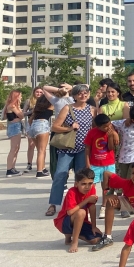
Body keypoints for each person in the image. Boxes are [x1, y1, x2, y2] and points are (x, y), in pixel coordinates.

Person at [47, 84, 95, 217]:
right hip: (67, 148)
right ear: (74, 96)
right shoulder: (67, 108)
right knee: (60, 174)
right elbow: (55, 127)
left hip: (83, 149)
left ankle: (79, 204)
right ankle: (53, 203)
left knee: (81, 178)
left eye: (85, 93)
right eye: (79, 93)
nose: (83, 95)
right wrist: (69, 128)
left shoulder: (92, 110)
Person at [94, 160, 134, 251]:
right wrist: (107, 193)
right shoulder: (127, 183)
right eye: (133, 173)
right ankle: (107, 237)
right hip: (130, 203)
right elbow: (106, 173)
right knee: (110, 202)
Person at [54, 168, 102, 253]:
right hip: (63, 222)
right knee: (81, 212)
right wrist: (87, 200)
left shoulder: (92, 189)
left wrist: (94, 226)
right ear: (76, 184)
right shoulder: (72, 192)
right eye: (83, 184)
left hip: (82, 221)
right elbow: (70, 212)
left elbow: (92, 207)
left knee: (97, 238)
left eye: (90, 183)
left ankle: (70, 235)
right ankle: (74, 241)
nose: (87, 187)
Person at [29, 95, 53, 178]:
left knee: (39, 150)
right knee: (42, 150)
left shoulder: (37, 109)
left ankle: (42, 168)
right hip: (42, 125)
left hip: (33, 126)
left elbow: (30, 120)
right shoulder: (50, 106)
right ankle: (39, 171)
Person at [23, 87, 44, 172]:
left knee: (41, 146)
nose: (39, 94)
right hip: (31, 124)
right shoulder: (29, 101)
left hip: (41, 124)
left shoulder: (45, 101)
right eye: (37, 92)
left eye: (40, 92)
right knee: (31, 145)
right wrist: (32, 111)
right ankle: (29, 164)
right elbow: (23, 113)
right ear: (34, 92)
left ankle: (41, 165)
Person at [4, 90, 24, 177]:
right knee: (13, 148)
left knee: (16, 148)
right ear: (16, 97)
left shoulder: (13, 106)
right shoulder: (12, 106)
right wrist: (19, 107)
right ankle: (9, 169)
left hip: (16, 126)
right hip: (14, 127)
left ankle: (13, 168)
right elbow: (21, 115)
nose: (21, 98)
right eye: (20, 96)